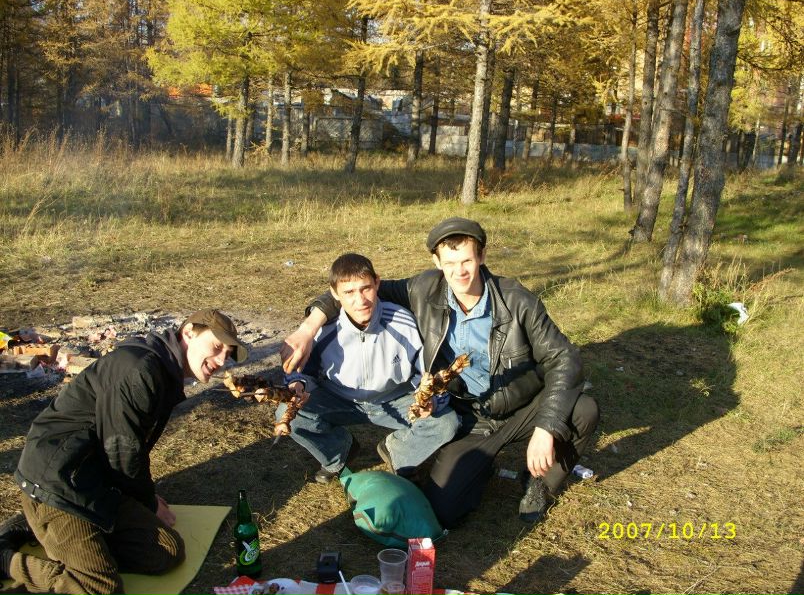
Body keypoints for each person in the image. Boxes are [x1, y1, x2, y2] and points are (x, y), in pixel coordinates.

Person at [282, 218, 599, 527]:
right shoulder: (424, 289)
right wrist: (308, 329)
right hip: (472, 417)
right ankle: (479, 466)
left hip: (524, 405)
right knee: (444, 510)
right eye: (450, 263)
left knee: (583, 410)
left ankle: (540, 483)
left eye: (467, 261)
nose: (459, 272)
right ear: (437, 262)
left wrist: (546, 427)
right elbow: (352, 293)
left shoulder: (517, 301)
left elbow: (564, 358)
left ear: (482, 257)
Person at [0, 310, 248, 595]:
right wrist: (148, 503)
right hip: (58, 481)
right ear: (189, 332)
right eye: (216, 347)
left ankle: (40, 531)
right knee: (99, 588)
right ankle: (8, 560)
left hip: (95, 481)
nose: (221, 361)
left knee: (165, 552)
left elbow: (127, 449)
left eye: (227, 354)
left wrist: (143, 500)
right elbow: (121, 451)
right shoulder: (140, 370)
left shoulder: (162, 369)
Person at [276, 253, 460, 484]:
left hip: (394, 400)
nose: (360, 300)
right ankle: (339, 453)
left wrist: (429, 400)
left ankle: (399, 453)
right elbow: (301, 372)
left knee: (446, 423)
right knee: (286, 414)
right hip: (339, 400)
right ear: (334, 294)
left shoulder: (403, 322)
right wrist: (297, 385)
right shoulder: (323, 330)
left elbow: (424, 374)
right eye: (349, 292)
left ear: (377, 283)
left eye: (366, 289)